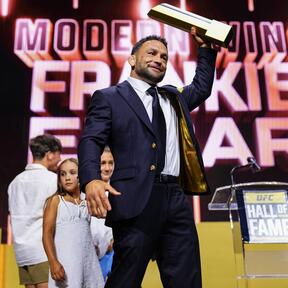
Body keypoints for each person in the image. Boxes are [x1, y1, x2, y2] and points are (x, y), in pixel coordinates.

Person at [78, 27, 217, 288]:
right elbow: (91, 140)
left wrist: (206, 49)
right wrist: (91, 180)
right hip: (135, 199)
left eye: (164, 57)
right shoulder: (109, 97)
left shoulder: (173, 97)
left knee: (187, 279)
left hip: (175, 198)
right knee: (125, 279)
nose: (159, 59)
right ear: (132, 59)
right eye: (151, 53)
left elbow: (201, 87)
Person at [8, 134, 62, 288]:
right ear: (50, 155)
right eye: (59, 155)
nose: (59, 160)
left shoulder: (15, 182)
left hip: (22, 253)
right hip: (44, 252)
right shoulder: (52, 180)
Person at [42, 158, 104, 288]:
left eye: (72, 172)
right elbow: (47, 234)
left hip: (88, 263)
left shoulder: (86, 201)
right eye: (63, 174)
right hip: (66, 263)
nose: (67, 178)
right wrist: (53, 262)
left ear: (80, 175)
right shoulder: (56, 201)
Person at [90, 146, 114, 281]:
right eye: (103, 163)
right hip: (90, 254)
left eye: (110, 163)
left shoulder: (121, 191)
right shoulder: (84, 191)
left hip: (113, 254)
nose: (107, 168)